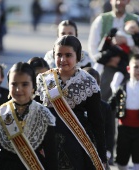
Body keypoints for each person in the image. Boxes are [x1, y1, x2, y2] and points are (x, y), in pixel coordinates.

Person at [36, 35, 107, 169]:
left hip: (77, 144)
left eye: (68, 55)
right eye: (59, 55)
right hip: (48, 144)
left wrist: (102, 156)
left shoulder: (88, 83)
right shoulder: (43, 80)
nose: (63, 60)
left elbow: (96, 122)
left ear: (78, 57)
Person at [0, 62, 57, 170]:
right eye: (14, 84)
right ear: (8, 85)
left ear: (33, 86)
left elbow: (51, 156)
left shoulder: (44, 115)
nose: (18, 89)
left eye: (24, 84)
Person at [108, 54, 139, 170]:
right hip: (124, 129)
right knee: (121, 159)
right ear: (129, 69)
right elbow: (109, 106)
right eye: (136, 67)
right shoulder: (122, 89)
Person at [83, 67, 115, 166]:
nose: (89, 88)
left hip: (98, 152)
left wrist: (107, 153)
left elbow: (109, 132)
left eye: (93, 84)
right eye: (85, 84)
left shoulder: (105, 107)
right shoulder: (73, 105)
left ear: (98, 85)